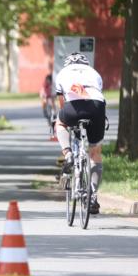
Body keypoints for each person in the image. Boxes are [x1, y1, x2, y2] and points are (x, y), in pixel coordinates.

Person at [54, 52, 106, 214]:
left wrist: (67, 117)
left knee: (60, 122)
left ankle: (68, 154)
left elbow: (62, 102)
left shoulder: (62, 73)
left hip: (73, 107)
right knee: (95, 151)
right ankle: (93, 196)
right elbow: (98, 94)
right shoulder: (94, 73)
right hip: (97, 107)